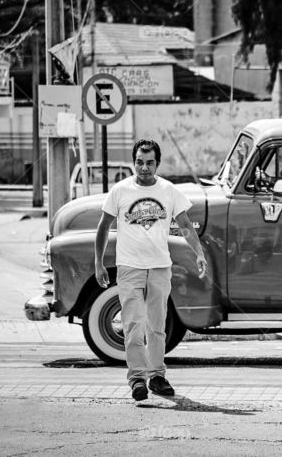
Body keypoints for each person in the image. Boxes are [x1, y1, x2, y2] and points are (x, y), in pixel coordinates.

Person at [94, 139, 208, 401]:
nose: (144, 168)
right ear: (133, 162)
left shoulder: (169, 191)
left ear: (157, 163)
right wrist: (98, 262)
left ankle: (157, 376)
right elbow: (103, 226)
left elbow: (186, 227)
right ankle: (136, 379)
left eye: (149, 163)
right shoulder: (120, 191)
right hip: (129, 268)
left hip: (159, 268)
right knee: (133, 325)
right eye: (139, 162)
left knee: (156, 326)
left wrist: (199, 254)